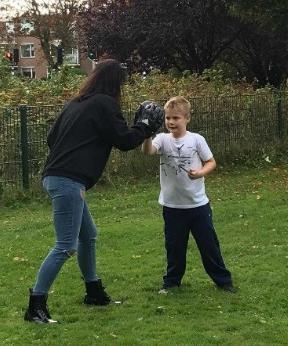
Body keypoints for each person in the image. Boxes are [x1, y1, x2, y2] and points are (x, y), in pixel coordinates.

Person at [24, 59, 163, 324]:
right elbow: (123, 140)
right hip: (68, 181)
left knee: (88, 236)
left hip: (58, 176)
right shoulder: (104, 104)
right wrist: (144, 127)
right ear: (115, 83)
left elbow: (51, 139)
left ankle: (94, 293)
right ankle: (35, 306)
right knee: (65, 245)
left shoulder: (75, 103)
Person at [142, 96, 235, 293]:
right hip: (172, 207)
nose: (171, 122)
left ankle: (223, 281)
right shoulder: (162, 139)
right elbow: (148, 151)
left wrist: (200, 173)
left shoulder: (196, 140)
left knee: (209, 246)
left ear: (187, 118)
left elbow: (211, 162)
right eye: (168, 118)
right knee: (174, 248)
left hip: (198, 206)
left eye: (176, 118)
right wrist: (147, 134)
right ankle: (172, 282)